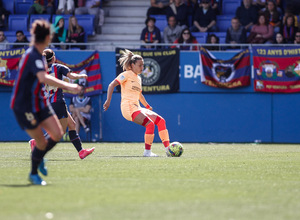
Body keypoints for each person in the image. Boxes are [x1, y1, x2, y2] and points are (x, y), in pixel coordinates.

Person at [10, 19, 81, 185]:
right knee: (41, 142)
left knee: (57, 134)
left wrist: (66, 85)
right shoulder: (32, 55)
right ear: (48, 37)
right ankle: (34, 173)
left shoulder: (40, 58)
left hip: (39, 102)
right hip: (24, 104)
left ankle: (39, 156)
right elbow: (43, 78)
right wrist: (68, 86)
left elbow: (44, 77)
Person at [29, 48, 95, 160]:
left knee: (72, 125)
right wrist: (81, 76)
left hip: (50, 102)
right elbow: (72, 76)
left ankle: (81, 151)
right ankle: (36, 143)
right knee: (60, 132)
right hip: (58, 102)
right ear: (53, 58)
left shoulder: (43, 71)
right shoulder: (58, 67)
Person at [103, 49, 172, 157]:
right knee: (150, 124)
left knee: (161, 121)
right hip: (128, 108)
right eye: (140, 65)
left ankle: (168, 150)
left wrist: (147, 106)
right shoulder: (126, 74)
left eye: (143, 65)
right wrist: (108, 101)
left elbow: (139, 95)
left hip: (137, 107)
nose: (142, 68)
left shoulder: (138, 78)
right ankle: (147, 152)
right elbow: (111, 85)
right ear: (132, 65)